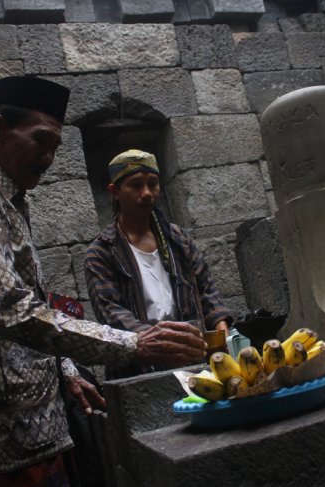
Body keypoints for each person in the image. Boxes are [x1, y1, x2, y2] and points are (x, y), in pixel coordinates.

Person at [0, 77, 206, 486]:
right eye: (41, 142)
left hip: (36, 421)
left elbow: (26, 300)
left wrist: (65, 368)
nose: (49, 158)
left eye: (56, 146)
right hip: (1, 434)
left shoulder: (6, 198)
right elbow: (12, 310)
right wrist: (135, 343)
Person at [85, 149, 233, 379]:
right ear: (114, 192)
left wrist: (221, 327)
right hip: (140, 369)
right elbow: (111, 314)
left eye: (152, 184)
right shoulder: (102, 252)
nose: (146, 193)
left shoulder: (178, 239)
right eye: (135, 185)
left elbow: (206, 290)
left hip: (195, 360)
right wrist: (162, 342)